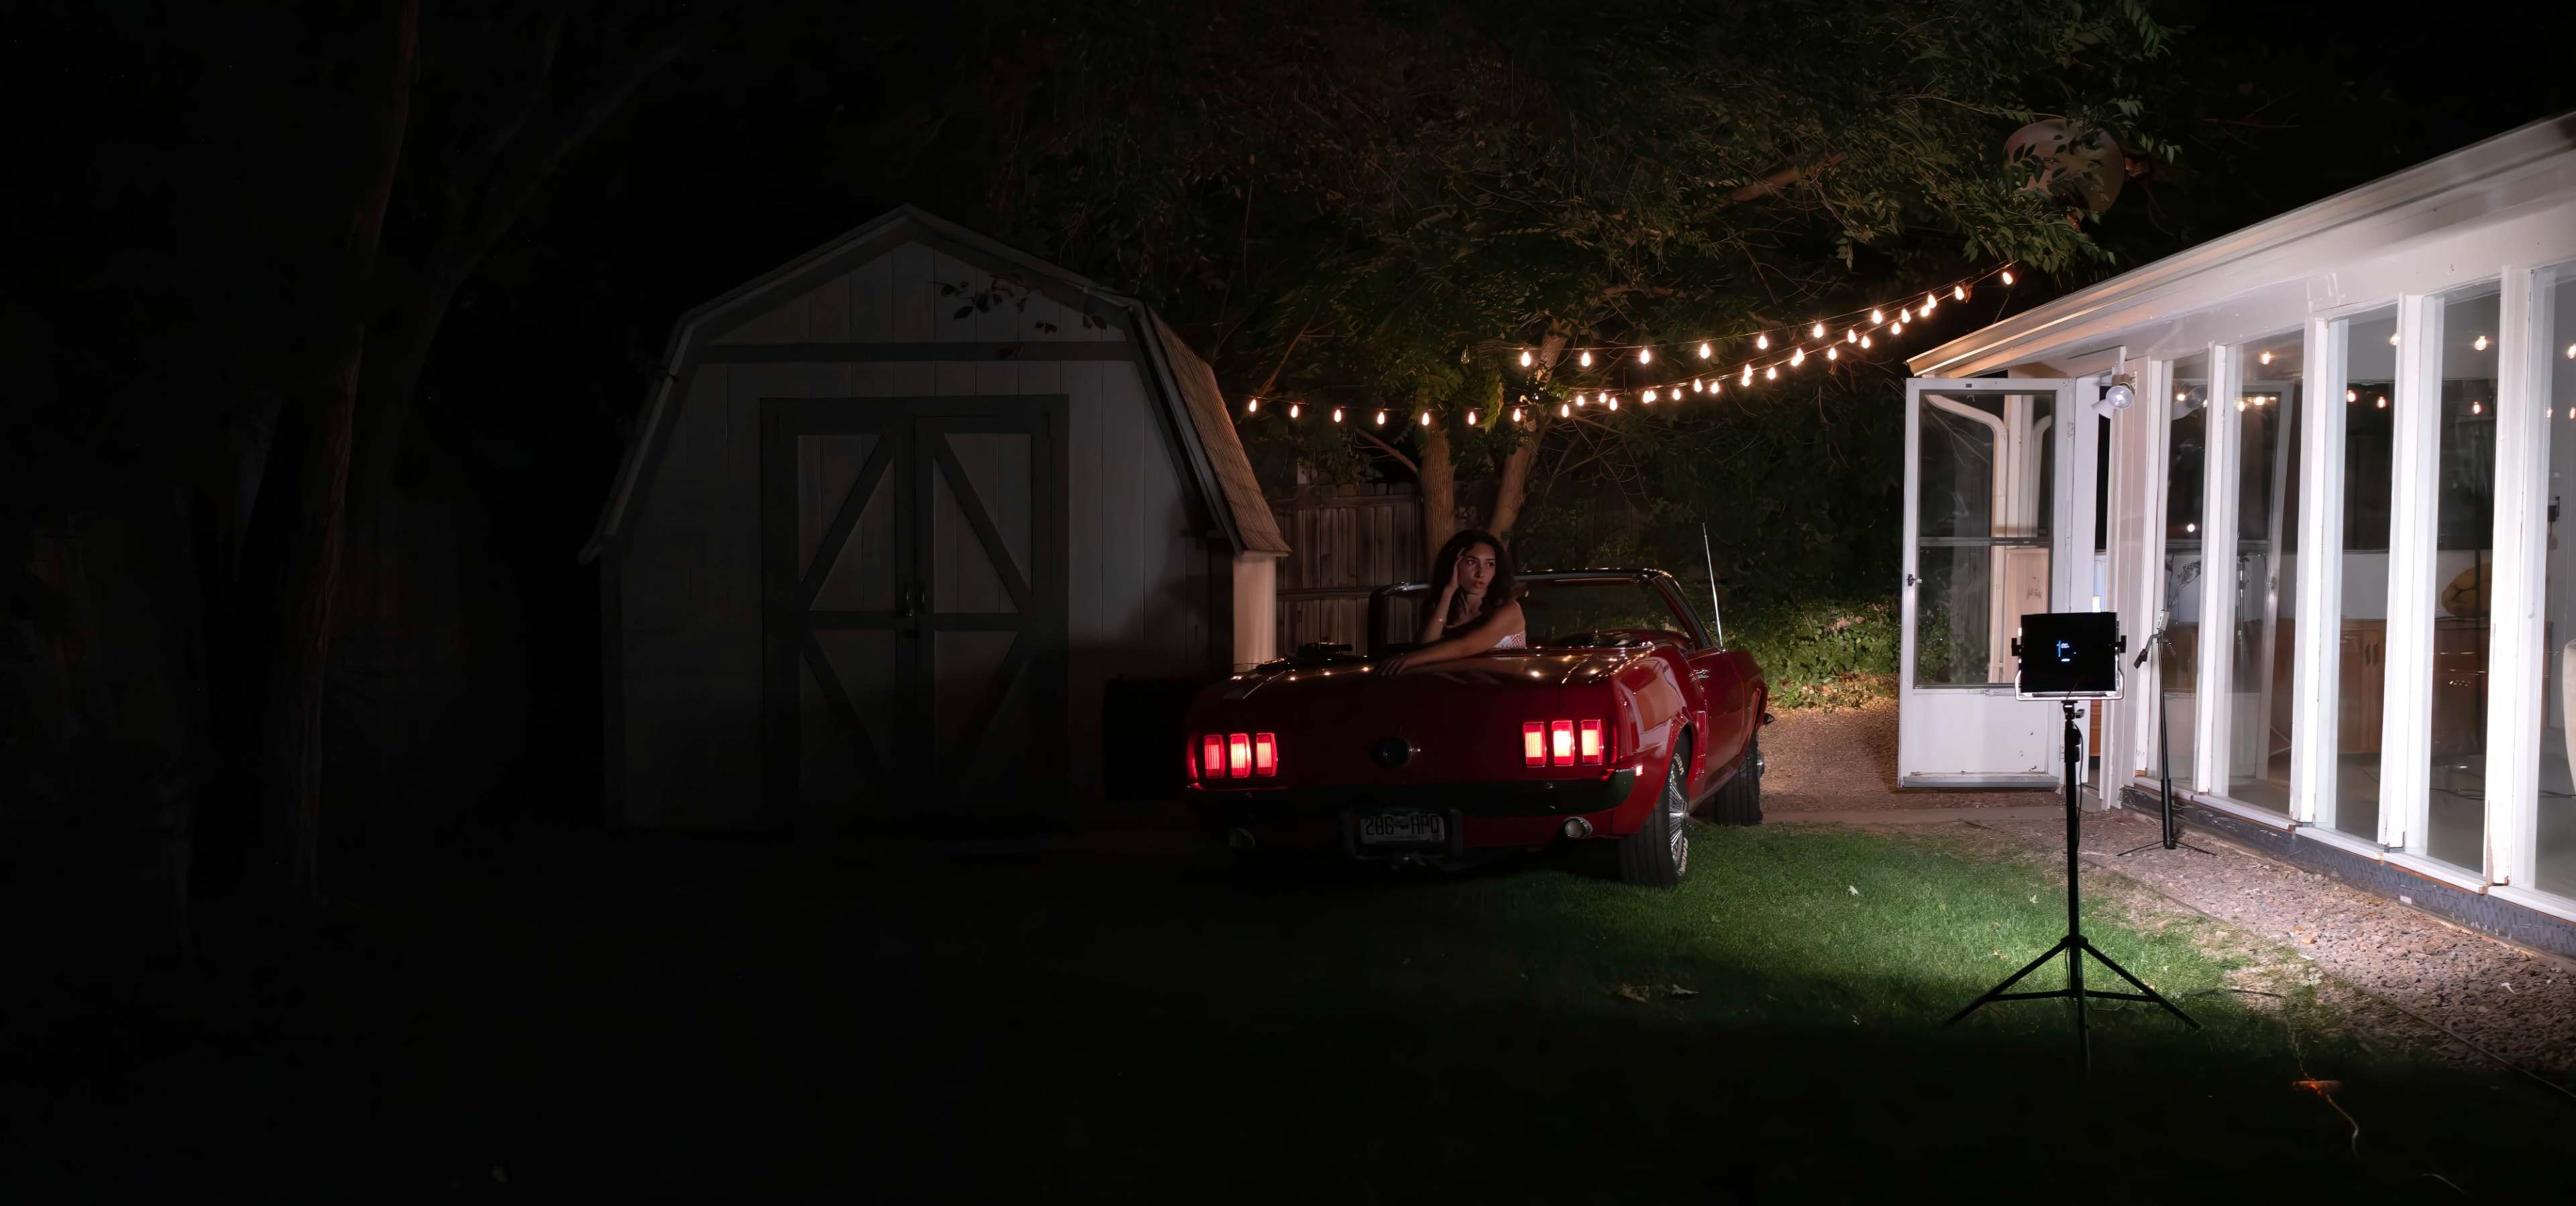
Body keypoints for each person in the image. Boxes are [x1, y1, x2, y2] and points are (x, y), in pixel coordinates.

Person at [1378, 529, 1526, 673]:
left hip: (1505, 692)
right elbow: (1424, 647)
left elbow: (1465, 647)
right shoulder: (1440, 607)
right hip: (1456, 690)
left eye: (1490, 564)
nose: (1481, 573)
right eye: (1471, 562)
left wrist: (1407, 659)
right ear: (1454, 565)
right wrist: (1448, 591)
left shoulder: (1510, 610)